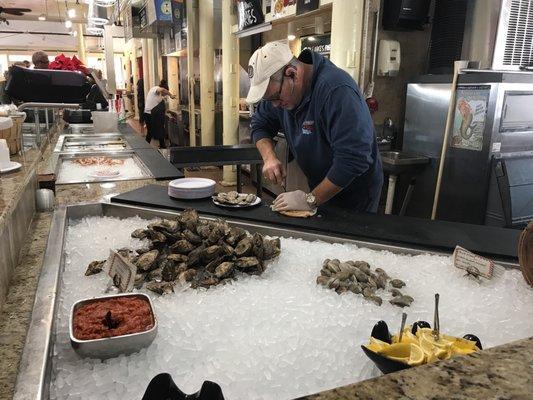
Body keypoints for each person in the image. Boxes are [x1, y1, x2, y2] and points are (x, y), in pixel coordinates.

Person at [246, 41, 383, 213]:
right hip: (320, 187)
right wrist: (269, 157)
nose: (274, 105)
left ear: (292, 74)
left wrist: (310, 200)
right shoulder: (280, 92)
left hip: (354, 195)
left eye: (276, 97)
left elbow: (353, 159)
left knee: (346, 238)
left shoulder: (336, 90)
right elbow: (260, 123)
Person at [144, 80, 175, 149]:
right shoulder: (155, 89)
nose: (165, 95)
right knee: (150, 132)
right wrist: (171, 95)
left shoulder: (160, 96)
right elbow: (162, 89)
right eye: (165, 93)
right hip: (149, 114)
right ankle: (145, 147)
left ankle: (162, 145)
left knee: (160, 129)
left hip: (153, 114)